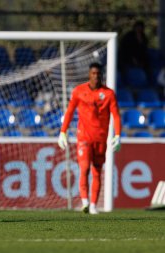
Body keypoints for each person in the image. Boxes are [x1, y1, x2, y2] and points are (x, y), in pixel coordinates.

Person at [57, 62, 121, 215]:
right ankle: (85, 202)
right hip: (84, 138)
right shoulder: (79, 91)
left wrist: (118, 135)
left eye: (98, 74)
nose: (96, 76)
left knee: (97, 172)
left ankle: (93, 205)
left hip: (100, 139)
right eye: (93, 73)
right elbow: (70, 111)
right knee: (84, 168)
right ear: (89, 74)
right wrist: (63, 132)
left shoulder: (109, 94)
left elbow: (116, 116)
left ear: (102, 75)